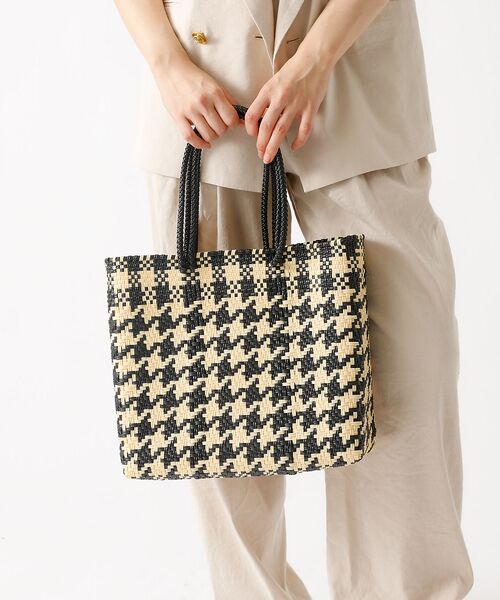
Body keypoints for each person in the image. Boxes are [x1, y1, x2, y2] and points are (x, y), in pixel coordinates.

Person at [113, 1, 475, 598]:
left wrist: (317, 57)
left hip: (358, 66)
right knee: (223, 409)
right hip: (202, 83)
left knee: (408, 371)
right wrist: (165, 63)